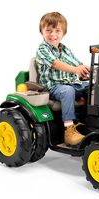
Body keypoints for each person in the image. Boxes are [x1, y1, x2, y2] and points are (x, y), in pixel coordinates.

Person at [35, 12, 90, 146]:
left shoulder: (65, 50)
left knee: (91, 87)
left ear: (63, 33)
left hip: (72, 84)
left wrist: (85, 70)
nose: (53, 34)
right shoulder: (42, 49)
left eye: (57, 30)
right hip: (54, 87)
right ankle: (69, 131)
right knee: (67, 91)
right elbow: (55, 63)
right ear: (41, 32)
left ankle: (90, 122)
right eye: (48, 30)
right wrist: (76, 70)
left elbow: (77, 63)